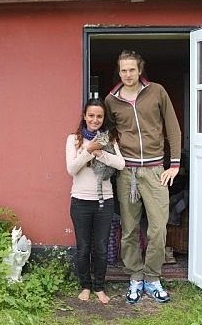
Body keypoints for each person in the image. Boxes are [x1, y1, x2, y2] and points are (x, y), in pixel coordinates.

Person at [105, 50, 181, 304]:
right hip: (127, 172)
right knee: (129, 230)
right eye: (123, 70)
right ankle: (135, 277)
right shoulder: (111, 100)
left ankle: (153, 278)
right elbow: (108, 133)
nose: (128, 75)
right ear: (119, 71)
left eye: (132, 70)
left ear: (140, 70)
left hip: (155, 170)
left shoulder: (157, 91)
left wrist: (175, 164)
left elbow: (173, 127)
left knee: (158, 228)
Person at [66, 98, 125, 304]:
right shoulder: (73, 139)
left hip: (105, 202)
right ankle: (85, 286)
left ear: (103, 118)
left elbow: (120, 164)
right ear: (84, 116)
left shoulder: (110, 138)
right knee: (83, 247)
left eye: (99, 116)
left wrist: (100, 153)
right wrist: (87, 149)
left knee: (100, 246)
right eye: (91, 115)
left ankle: (99, 287)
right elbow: (72, 169)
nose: (95, 119)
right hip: (80, 202)